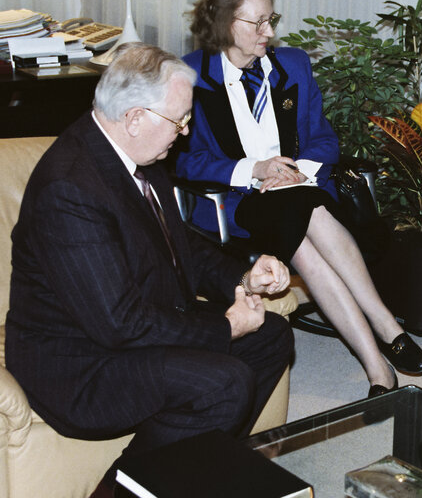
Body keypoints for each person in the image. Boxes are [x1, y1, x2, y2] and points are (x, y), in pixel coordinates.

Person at [4, 42, 295, 497]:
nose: (184, 130)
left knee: (272, 336)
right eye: (178, 119)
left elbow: (182, 248)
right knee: (224, 383)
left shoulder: (139, 154)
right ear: (135, 117)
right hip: (78, 363)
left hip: (128, 325)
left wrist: (243, 276)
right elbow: (121, 325)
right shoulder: (70, 188)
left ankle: (196, 468)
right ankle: (121, 492)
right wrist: (225, 327)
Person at [176, 0, 422, 396]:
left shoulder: (292, 65)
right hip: (241, 201)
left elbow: (324, 141)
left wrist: (296, 172)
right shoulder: (191, 76)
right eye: (256, 22)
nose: (267, 31)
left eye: (270, 19)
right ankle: (385, 326)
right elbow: (186, 159)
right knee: (303, 218)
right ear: (224, 24)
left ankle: (377, 368)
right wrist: (254, 169)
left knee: (303, 235)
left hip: (301, 190)